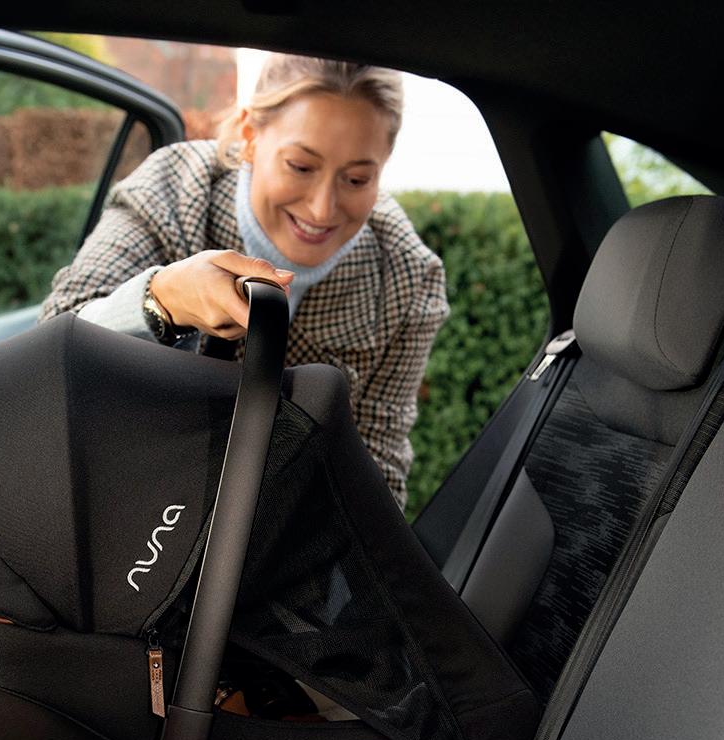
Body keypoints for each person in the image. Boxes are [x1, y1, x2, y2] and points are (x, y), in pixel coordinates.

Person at [39, 54, 449, 509]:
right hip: (118, 495)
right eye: (301, 166)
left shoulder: (406, 277)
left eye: (357, 179)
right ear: (250, 136)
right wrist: (163, 302)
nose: (322, 208)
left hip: (274, 529)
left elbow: (376, 467)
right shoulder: (175, 190)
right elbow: (50, 350)